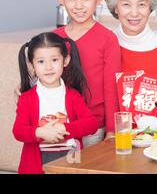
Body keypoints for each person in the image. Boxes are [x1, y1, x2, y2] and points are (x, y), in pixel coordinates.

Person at [13, 32, 98, 174]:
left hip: (71, 159)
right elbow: (18, 131)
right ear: (32, 65)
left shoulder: (73, 96)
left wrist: (63, 129)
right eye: (40, 61)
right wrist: (40, 132)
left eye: (54, 60)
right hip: (37, 162)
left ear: (65, 61)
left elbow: (91, 124)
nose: (48, 67)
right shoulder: (26, 98)